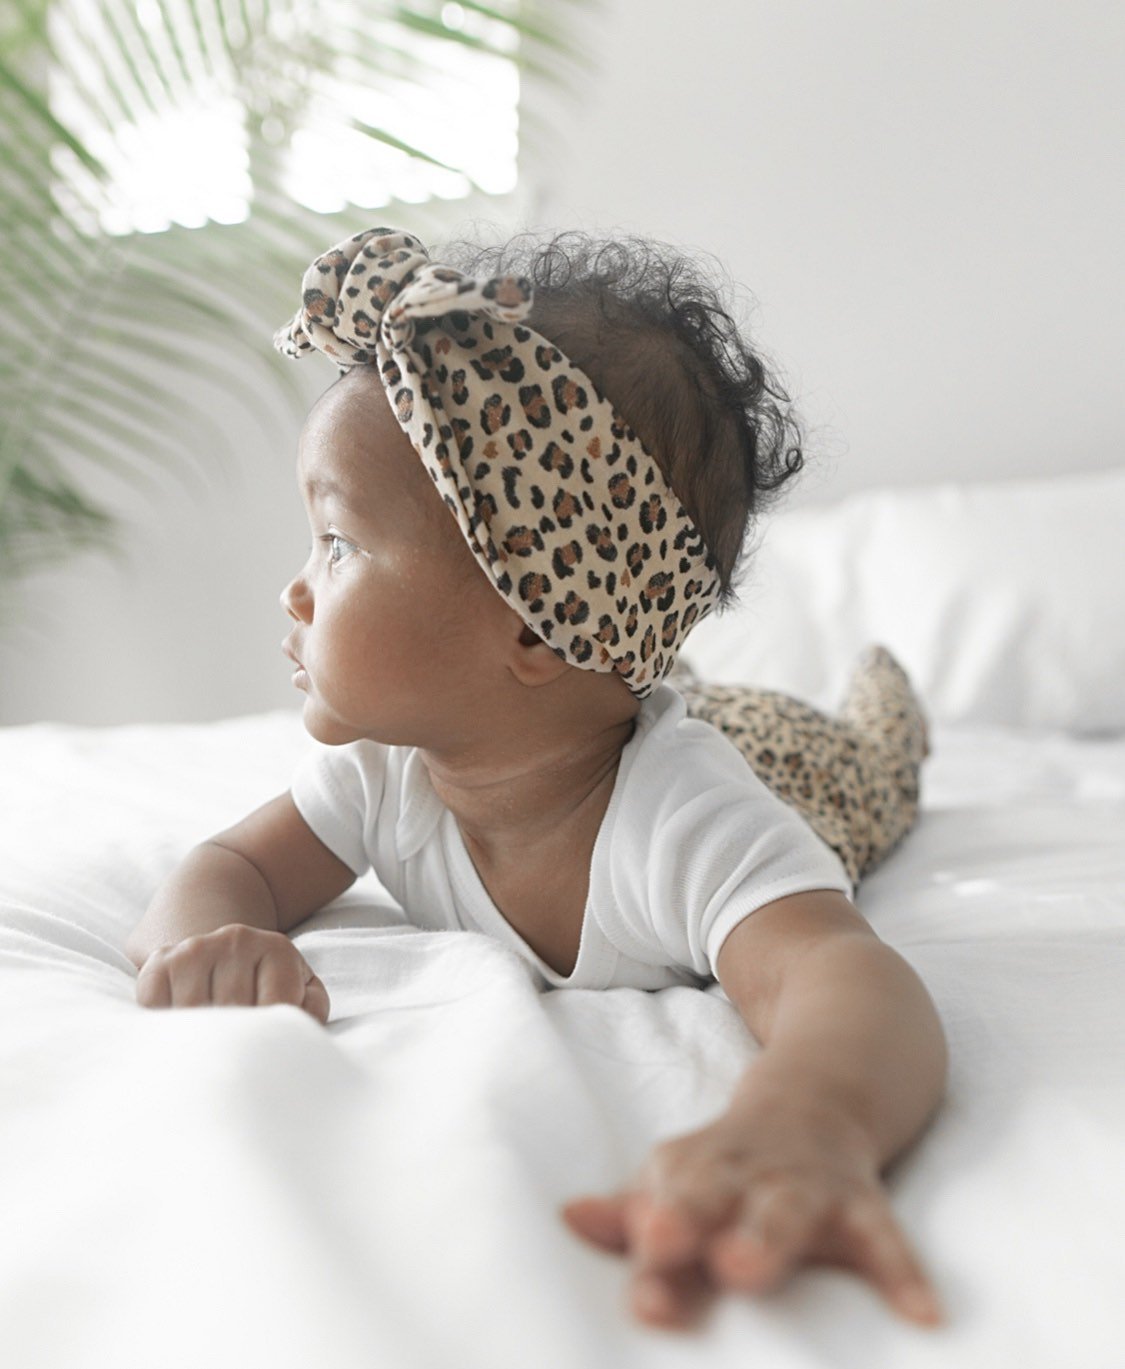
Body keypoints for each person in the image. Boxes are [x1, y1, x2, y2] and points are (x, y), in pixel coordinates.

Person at [125, 226, 947, 1334]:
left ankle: (888, 703)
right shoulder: (384, 769)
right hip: (626, 690)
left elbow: (841, 974)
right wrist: (203, 944)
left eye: (339, 543)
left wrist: (813, 1114)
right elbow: (227, 868)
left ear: (532, 619)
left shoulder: (682, 819)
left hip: (789, 765)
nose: (296, 589)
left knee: (866, 758)